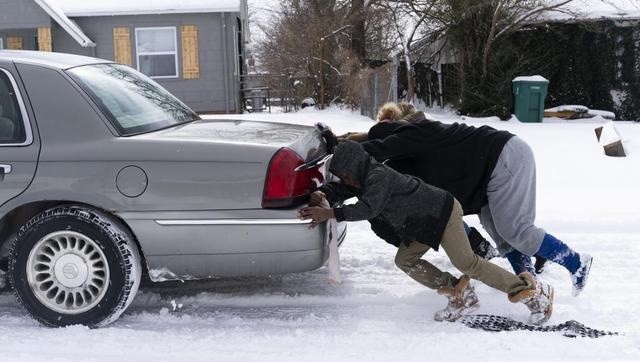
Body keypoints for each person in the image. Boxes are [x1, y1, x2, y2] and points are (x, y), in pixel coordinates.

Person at [299, 140, 554, 325]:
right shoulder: (362, 179)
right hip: (421, 224)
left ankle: (533, 293)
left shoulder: (378, 176)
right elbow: (346, 192)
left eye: (345, 175)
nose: (345, 180)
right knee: (405, 260)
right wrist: (325, 195)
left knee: (466, 261)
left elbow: (369, 208)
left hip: (441, 213)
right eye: (341, 177)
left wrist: (330, 214)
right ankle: (459, 293)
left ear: (355, 166)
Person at [356, 109, 591, 296]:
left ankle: (576, 262)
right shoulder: (408, 156)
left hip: (504, 158)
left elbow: (377, 146)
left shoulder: (420, 132)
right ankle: (531, 287)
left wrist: (347, 152)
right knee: (503, 237)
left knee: (516, 231)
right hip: (489, 174)